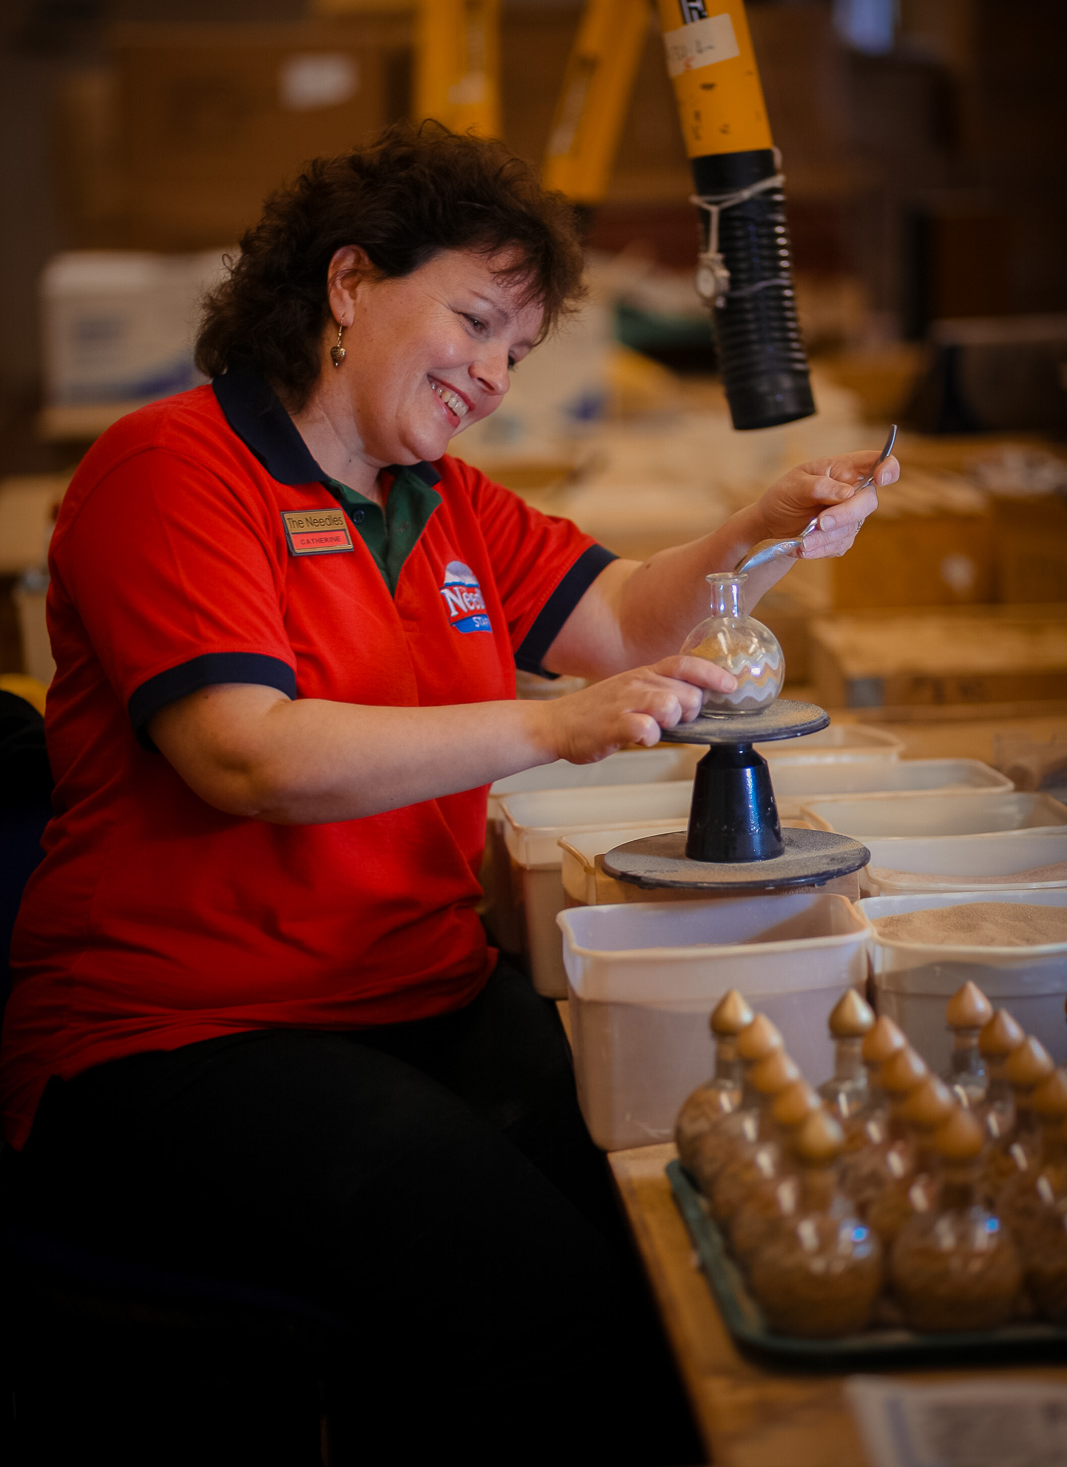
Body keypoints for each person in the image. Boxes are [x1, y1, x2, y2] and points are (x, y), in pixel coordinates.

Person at [1, 123, 898, 1463]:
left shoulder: (444, 500)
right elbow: (245, 753)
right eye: (474, 322)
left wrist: (750, 539)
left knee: (678, 1232)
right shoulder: (172, 471)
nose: (489, 375)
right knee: (538, 1308)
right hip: (184, 1034)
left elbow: (622, 619)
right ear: (351, 284)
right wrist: (555, 726)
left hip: (412, 989)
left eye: (515, 352)